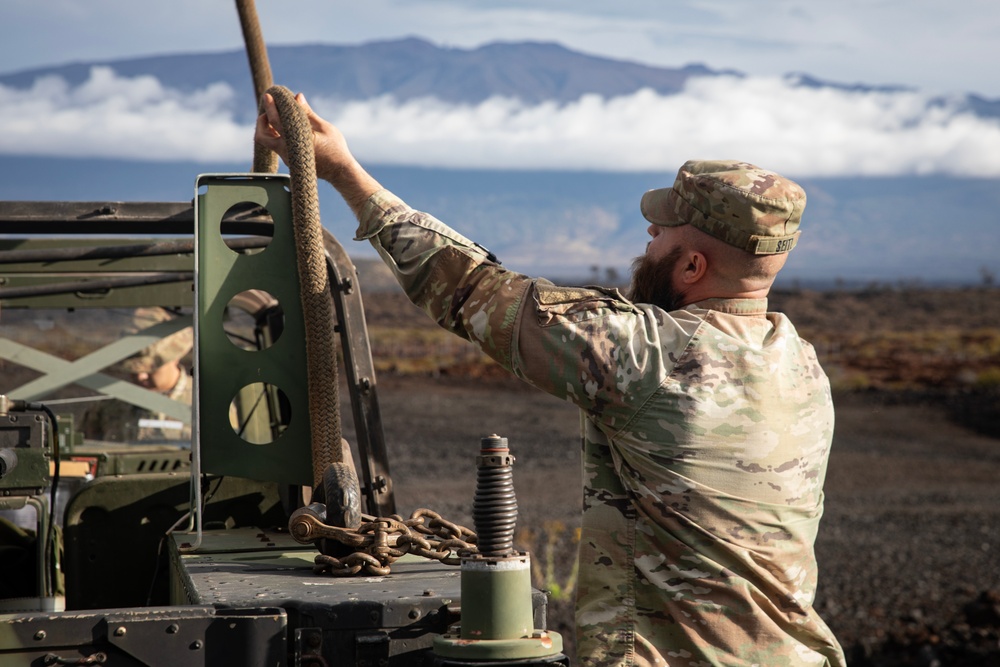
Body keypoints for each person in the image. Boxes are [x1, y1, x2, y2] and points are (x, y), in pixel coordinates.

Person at [255, 93, 846, 666]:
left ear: (693, 266)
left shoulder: (651, 356)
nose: (650, 238)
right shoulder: (803, 366)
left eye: (663, 233)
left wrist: (344, 173)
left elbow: (467, 289)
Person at [81, 307, 193, 442]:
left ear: (175, 357)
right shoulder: (108, 407)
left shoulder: (205, 402)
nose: (141, 377)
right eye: (134, 371)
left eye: (150, 369)